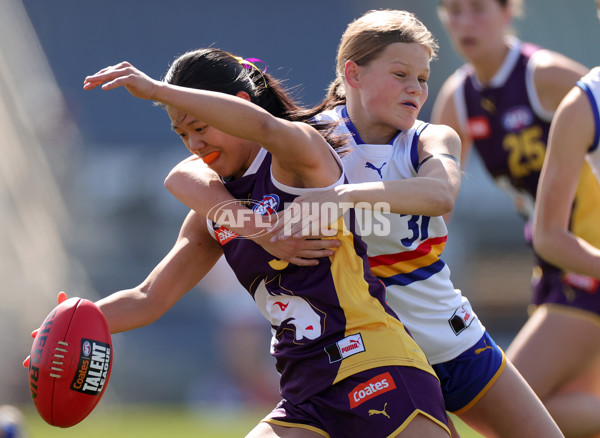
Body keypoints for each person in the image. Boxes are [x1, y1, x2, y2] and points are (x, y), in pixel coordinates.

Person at [164, 9, 562, 438]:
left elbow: (440, 194)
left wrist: (341, 196)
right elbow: (191, 172)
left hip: (450, 339)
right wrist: (250, 225)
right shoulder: (311, 140)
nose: (416, 88)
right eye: (400, 73)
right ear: (352, 74)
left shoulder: (430, 138)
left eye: (423, 78)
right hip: (363, 351)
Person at [79, 48, 451, 437]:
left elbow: (265, 128)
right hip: (304, 392)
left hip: (374, 362)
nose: (194, 144)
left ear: (238, 106)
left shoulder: (294, 154)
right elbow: (149, 298)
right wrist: (71, 325)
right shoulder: (216, 211)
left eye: (201, 128)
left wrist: (159, 90)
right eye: (183, 133)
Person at [433, 0, 600, 435]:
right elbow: (434, 198)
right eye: (453, 11)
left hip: (588, 258)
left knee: (504, 410)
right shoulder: (458, 97)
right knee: (548, 416)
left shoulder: (547, 76)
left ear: (510, 12)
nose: (464, 22)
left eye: (478, 9)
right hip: (552, 261)